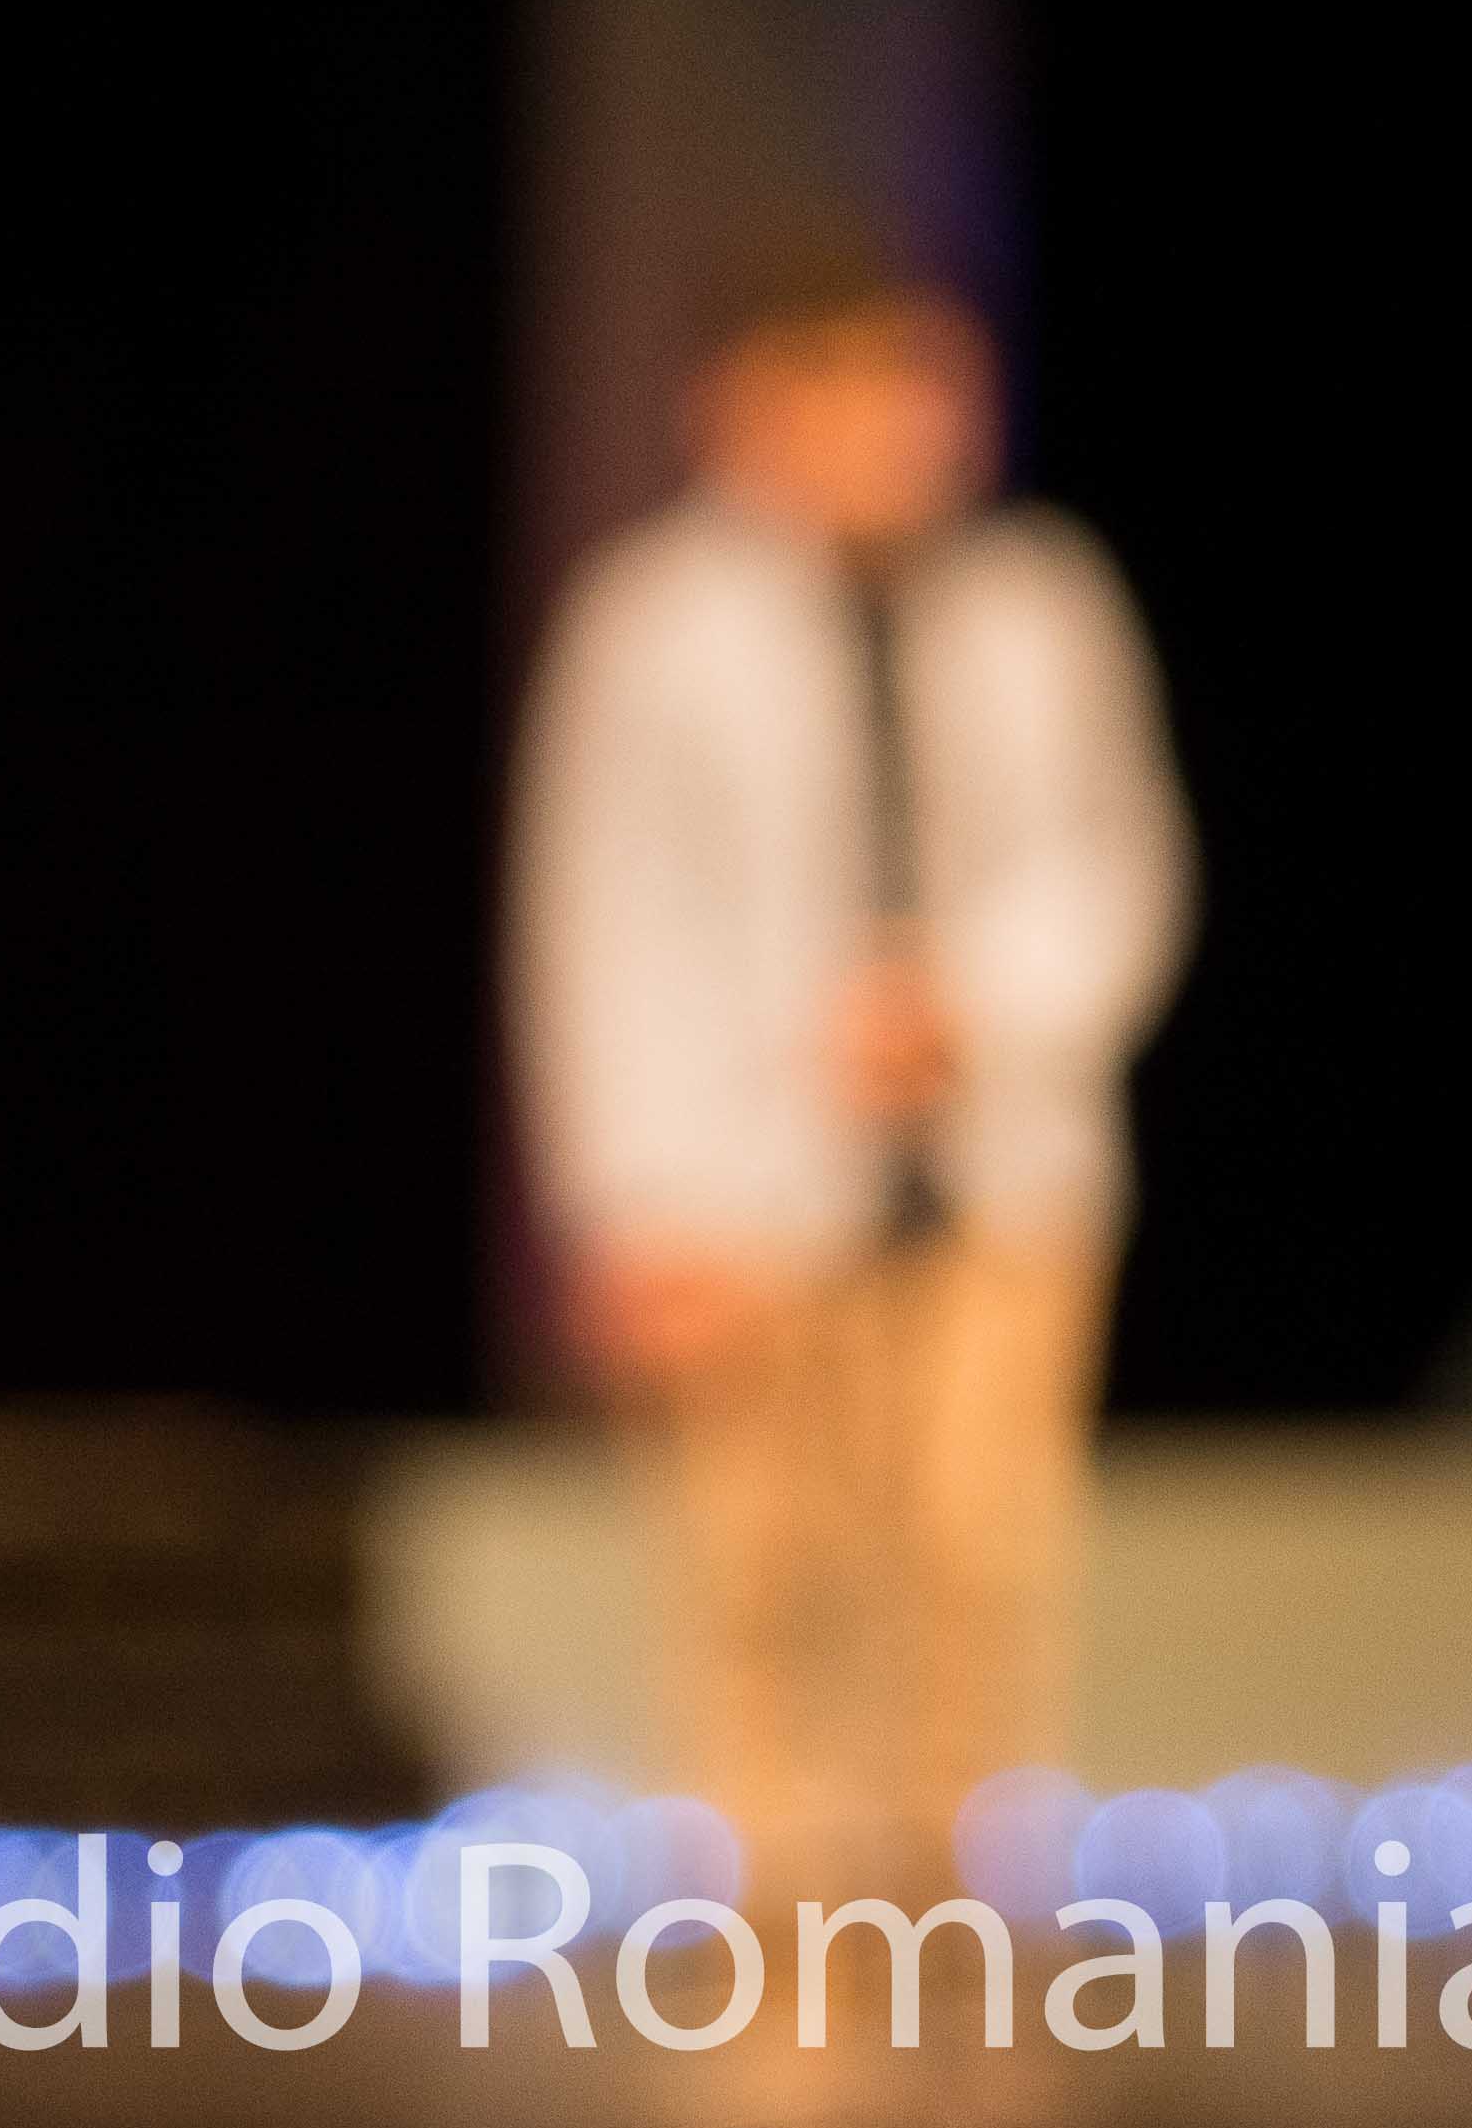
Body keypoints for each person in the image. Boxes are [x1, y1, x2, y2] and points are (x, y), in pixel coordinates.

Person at [511, 244, 1193, 1915]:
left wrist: (971, 1001)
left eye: (935, 386)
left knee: (982, 1560)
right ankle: (784, 1964)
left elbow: (1122, 865)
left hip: (998, 1166)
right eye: (871, 386)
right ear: (759, 404)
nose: (914, 427)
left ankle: (967, 1934)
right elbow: (603, 920)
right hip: (748, 1183)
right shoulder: (658, 622)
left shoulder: (1037, 601)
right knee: (766, 1579)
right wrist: (631, 1202)